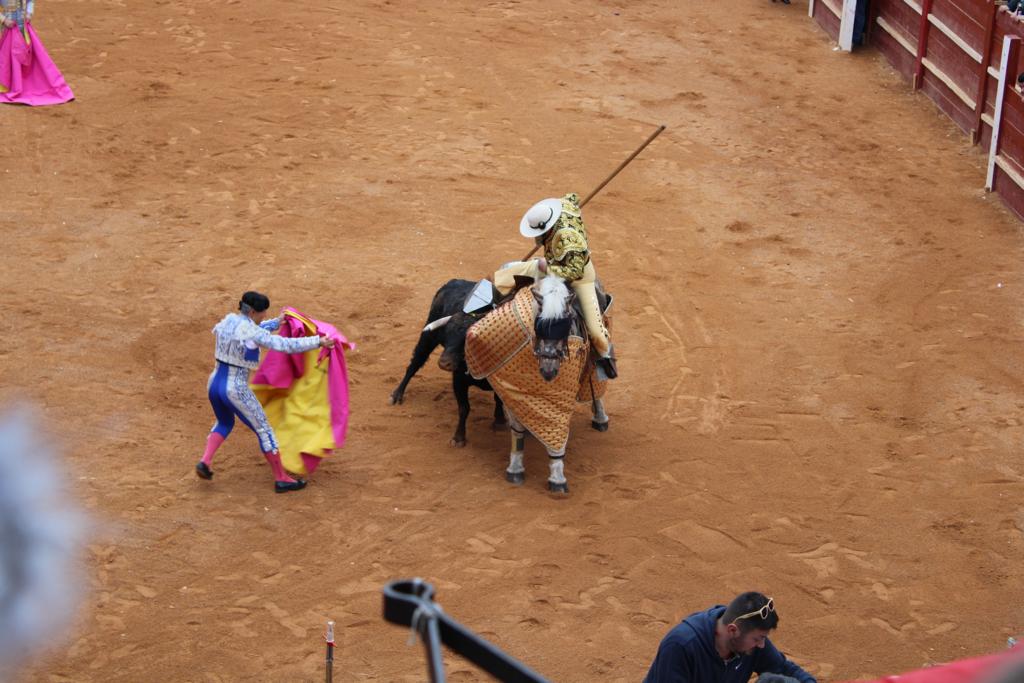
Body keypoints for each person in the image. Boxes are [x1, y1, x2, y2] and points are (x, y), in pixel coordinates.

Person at [196, 291, 333, 493]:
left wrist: (276, 322)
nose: (262, 316)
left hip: (214, 383)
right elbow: (282, 344)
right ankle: (281, 478)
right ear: (252, 311)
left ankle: (205, 462)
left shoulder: (228, 321)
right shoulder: (251, 330)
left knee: (224, 422)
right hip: (235, 389)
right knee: (265, 431)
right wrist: (317, 342)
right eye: (261, 314)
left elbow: (253, 330)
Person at [494, 193, 617, 378]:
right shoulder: (560, 208)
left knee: (597, 335)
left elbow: (575, 272)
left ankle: (606, 360)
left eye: (539, 233)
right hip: (553, 264)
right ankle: (491, 304)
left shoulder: (568, 240)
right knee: (506, 273)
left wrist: (546, 267)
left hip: (580, 278)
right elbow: (572, 198)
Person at [644, 592, 816, 683]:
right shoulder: (681, 646)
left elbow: (784, 668)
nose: (762, 645)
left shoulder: (749, 643)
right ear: (733, 630)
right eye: (758, 639)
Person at [0, 0, 74, 106]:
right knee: (7, 58)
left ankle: (20, 84)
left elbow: (30, 1)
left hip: (23, 27)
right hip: (6, 29)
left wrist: (29, 13)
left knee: (23, 55)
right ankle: (12, 85)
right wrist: (4, 20)